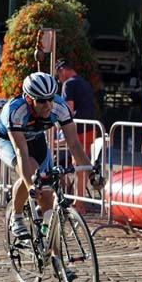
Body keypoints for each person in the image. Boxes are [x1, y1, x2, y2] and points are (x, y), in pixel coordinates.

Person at [0, 72, 101, 239]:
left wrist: (91, 173)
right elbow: (21, 152)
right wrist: (30, 185)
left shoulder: (60, 107)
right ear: (29, 99)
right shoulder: (16, 110)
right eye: (42, 101)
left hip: (36, 138)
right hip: (8, 140)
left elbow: (74, 144)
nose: (48, 105)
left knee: (47, 190)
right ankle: (17, 216)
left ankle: (47, 237)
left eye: (51, 98)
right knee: (32, 172)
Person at [55, 59, 97, 211]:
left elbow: (68, 109)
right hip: (90, 127)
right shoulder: (85, 83)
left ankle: (79, 203)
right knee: (82, 164)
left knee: (78, 166)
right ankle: (79, 200)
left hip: (77, 129)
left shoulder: (68, 84)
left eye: (58, 76)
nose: (59, 80)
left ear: (63, 70)